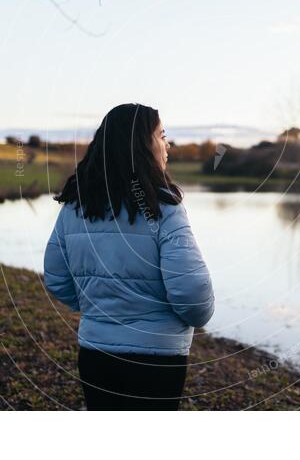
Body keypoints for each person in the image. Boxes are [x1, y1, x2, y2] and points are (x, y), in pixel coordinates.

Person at [43, 103, 215, 410]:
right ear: (143, 146)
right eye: (162, 136)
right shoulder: (165, 210)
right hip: (157, 360)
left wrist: (97, 308)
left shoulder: (76, 207)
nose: (168, 145)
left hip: (95, 354)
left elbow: (56, 278)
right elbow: (193, 295)